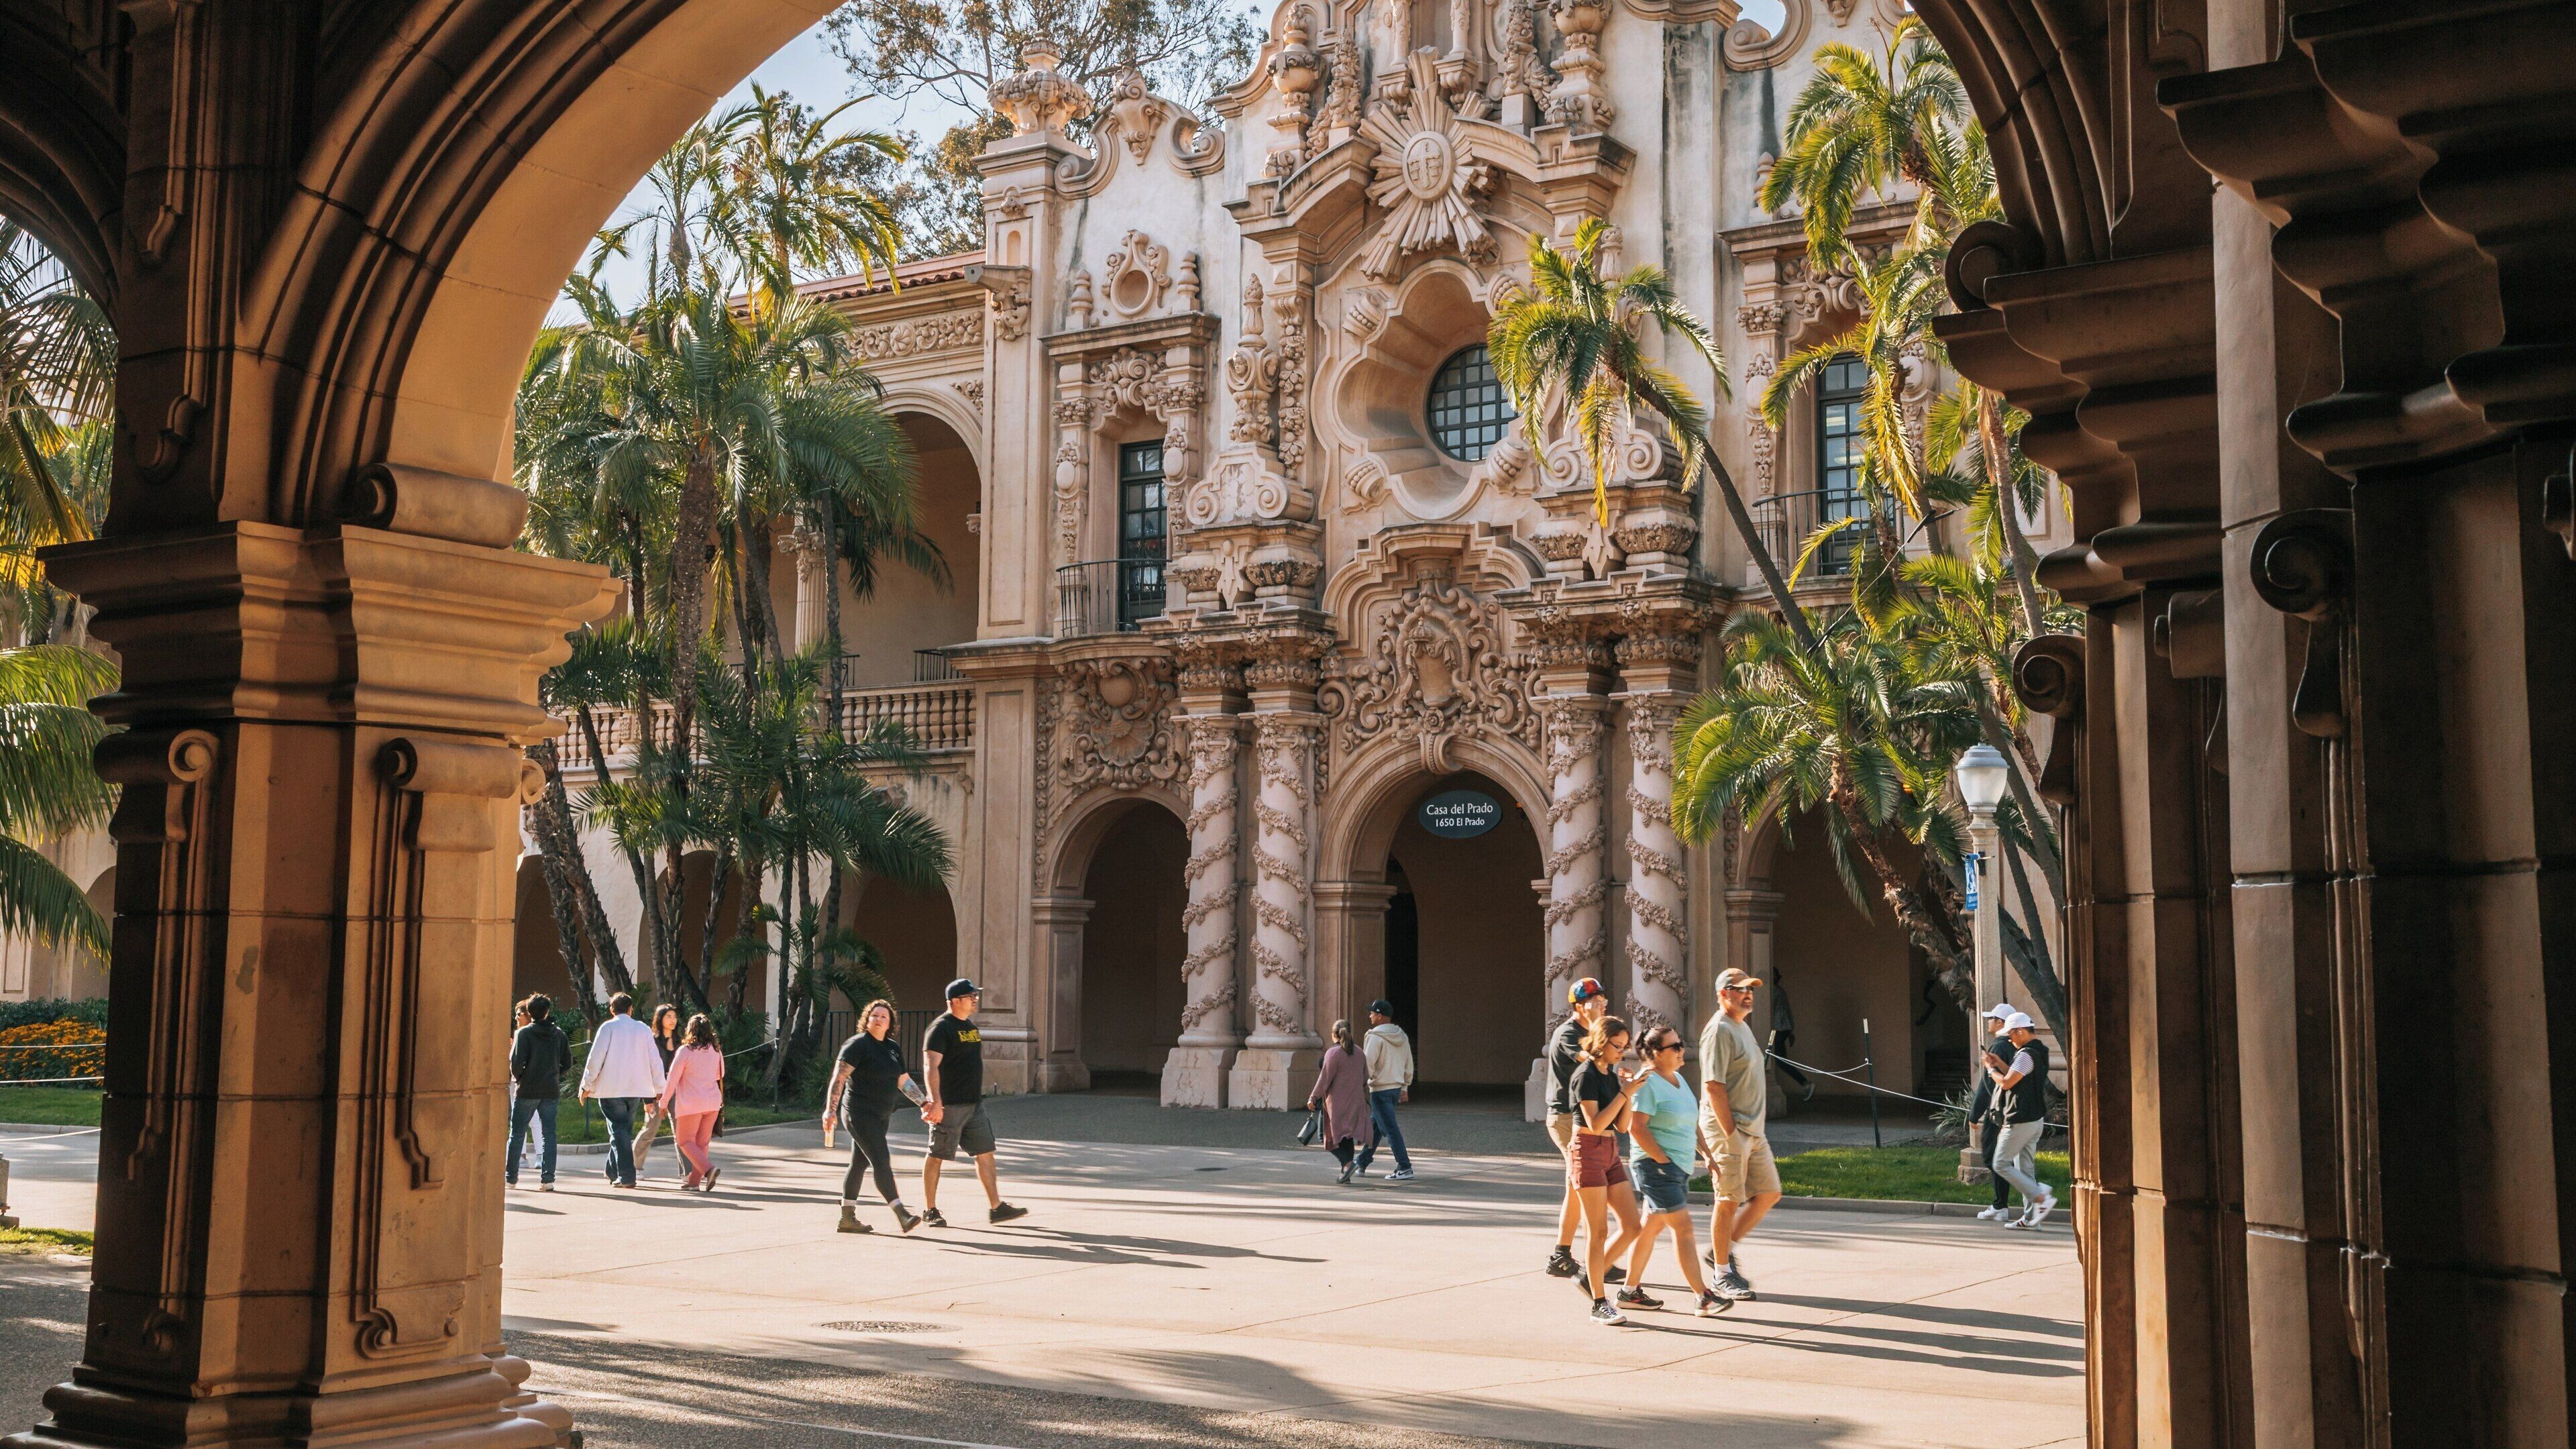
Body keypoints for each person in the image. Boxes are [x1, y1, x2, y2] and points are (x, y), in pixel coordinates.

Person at [1621, 1025, 1729, 1317]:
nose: (1682, 1049)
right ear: (1656, 1053)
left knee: (1650, 1227)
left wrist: (1706, 1155)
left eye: (1680, 1044)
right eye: (1675, 1046)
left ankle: (1628, 1291)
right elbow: (1636, 1128)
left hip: (1677, 1168)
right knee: (1684, 1229)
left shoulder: (1679, 1079)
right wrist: (1661, 1160)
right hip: (1657, 1168)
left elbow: (1691, 1123)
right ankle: (1703, 1296)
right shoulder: (1648, 1082)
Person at [1700, 968, 1781, 1301]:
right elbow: (1713, 1086)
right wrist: (1730, 1132)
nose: (1748, 995)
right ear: (1723, 994)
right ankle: (1721, 1274)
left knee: (1769, 1193)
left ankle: (1722, 1251)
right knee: (1728, 1200)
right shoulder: (1719, 1030)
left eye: (1751, 990)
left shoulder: (1742, 1026)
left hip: (1753, 1130)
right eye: (1740, 990)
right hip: (1728, 1131)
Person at [920, 979, 1028, 1226]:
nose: (975, 999)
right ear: (954, 1001)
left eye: (975, 996)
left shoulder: (970, 1027)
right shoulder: (940, 1029)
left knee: (986, 1153)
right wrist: (935, 1101)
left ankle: (997, 1208)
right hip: (949, 1106)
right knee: (937, 1155)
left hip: (973, 1105)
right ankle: (930, 1210)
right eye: (970, 996)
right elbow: (930, 1066)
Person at [1568, 1014, 1648, 1325]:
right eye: (1618, 1046)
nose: (1622, 1052)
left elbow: (1622, 1126)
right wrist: (1624, 1093)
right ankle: (1599, 1303)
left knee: (1632, 1225)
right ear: (1601, 1043)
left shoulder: (1610, 1074)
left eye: (1625, 1047)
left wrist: (1628, 1092)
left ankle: (1591, 1278)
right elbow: (1596, 1122)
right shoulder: (1585, 1075)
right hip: (1587, 1151)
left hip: (1610, 1151)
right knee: (1598, 1231)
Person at [823, 999, 926, 1234]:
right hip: (858, 1114)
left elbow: (904, 1081)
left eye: (884, 1016)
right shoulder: (857, 1045)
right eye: (874, 1015)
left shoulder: (892, 1048)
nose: (879, 1019)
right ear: (867, 1020)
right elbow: (839, 1079)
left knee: (859, 1163)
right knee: (881, 1160)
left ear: (890, 1023)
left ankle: (847, 1218)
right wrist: (830, 1110)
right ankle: (902, 1214)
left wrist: (924, 1103)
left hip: (881, 1115)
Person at [1544, 978, 1612, 1278]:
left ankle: (1563, 1256)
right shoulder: (1568, 1034)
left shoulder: (1590, 1031)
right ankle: (1591, 1260)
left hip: (1579, 1120)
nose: (1601, 1005)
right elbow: (1589, 1060)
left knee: (1576, 1189)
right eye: (1594, 1002)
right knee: (1584, 1190)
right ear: (1579, 1006)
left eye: (1602, 1001)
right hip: (1564, 1119)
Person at [578, 991, 665, 1190]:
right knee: (622, 1130)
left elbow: (595, 1059)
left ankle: (626, 1176)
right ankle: (611, 1170)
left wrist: (586, 1086)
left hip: (611, 1090)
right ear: (631, 1009)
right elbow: (655, 1060)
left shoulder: (608, 1028)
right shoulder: (642, 1029)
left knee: (618, 1131)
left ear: (611, 1010)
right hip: (635, 1090)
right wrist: (660, 1087)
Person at [1987, 1011, 2057, 1227]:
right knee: (2025, 1167)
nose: (2009, 1039)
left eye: (2011, 1034)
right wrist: (2000, 1063)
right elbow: (2016, 1077)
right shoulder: (2037, 1052)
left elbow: (2007, 1083)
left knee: (2000, 1163)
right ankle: (2030, 1218)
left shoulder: (2026, 1054)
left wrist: (1991, 1070)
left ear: (2021, 1031)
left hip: (2021, 1120)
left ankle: (2041, 1197)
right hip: (2034, 1119)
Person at [654, 1012, 727, 1192]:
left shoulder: (685, 1051)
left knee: (685, 1141)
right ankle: (694, 1182)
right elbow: (720, 1075)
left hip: (691, 1104)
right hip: (712, 1103)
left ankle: (709, 1170)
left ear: (690, 1031)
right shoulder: (716, 1050)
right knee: (702, 1144)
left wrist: (663, 1104)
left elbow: (672, 1079)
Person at [506, 994, 572, 1191]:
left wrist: (520, 1078)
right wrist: (554, 1074)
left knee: (517, 1133)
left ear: (530, 1012)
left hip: (527, 1089)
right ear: (548, 1011)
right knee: (549, 1134)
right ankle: (548, 1179)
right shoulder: (559, 1034)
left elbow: (516, 1063)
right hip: (550, 1090)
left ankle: (511, 1177)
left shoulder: (523, 1034)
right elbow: (567, 1062)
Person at [1305, 1019, 1375, 1184]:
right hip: (1355, 1101)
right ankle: (1346, 1172)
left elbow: (1324, 1079)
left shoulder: (1332, 1053)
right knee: (1346, 1137)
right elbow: (1365, 1077)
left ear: (1333, 1034)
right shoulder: (1359, 1052)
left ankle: (1348, 1164)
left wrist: (1313, 1097)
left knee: (1325, 1137)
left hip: (1335, 1103)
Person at [1353, 1000, 1415, 1181]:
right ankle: (1362, 1162)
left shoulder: (1374, 1036)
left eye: (1372, 1012)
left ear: (1380, 1016)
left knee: (1389, 1128)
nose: (1370, 1015)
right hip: (1395, 1088)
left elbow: (1368, 1063)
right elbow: (1408, 1062)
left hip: (1380, 1090)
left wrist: (1361, 1083)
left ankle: (1405, 1167)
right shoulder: (1401, 1035)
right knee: (1377, 1126)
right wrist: (1405, 1086)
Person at [1969, 1004, 2015, 1222]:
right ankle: (2002, 1205)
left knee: (1992, 1156)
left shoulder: (1998, 1047)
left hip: (1998, 1112)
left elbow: (1988, 1085)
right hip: (2013, 1110)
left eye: (1992, 1018)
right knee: (2007, 1158)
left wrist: (1974, 1113)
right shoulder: (2017, 1045)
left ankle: (2000, 1206)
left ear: (2001, 1023)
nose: (1988, 1022)